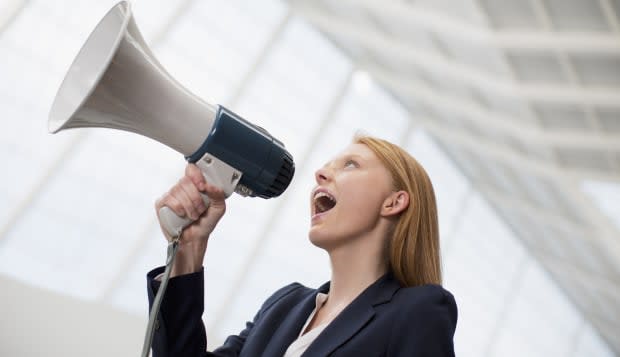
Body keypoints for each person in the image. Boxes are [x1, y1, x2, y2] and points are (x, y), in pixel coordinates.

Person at [146, 135, 458, 356]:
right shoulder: (283, 307)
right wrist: (189, 249)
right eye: (328, 165)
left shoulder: (419, 311)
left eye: (350, 165)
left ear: (394, 202)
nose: (321, 172)